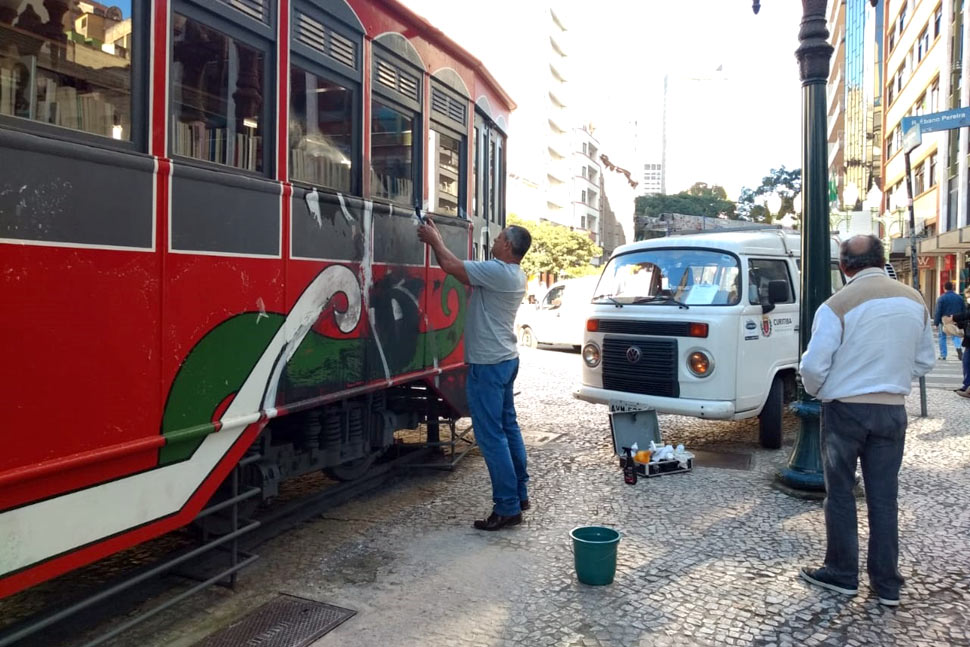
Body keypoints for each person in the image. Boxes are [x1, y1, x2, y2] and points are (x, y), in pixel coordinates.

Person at [798, 235, 935, 607]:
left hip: (845, 410)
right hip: (892, 410)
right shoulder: (914, 301)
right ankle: (886, 583)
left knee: (840, 494)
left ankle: (842, 573)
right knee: (884, 497)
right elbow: (925, 361)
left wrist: (820, 389)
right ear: (883, 259)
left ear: (844, 266)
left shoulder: (836, 305)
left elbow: (812, 366)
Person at [417, 215, 533, 531]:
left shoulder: (498, 272)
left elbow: (452, 267)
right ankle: (519, 494)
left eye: (498, 239)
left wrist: (434, 240)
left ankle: (508, 507)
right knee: (508, 428)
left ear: (507, 246)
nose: (493, 242)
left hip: (489, 364)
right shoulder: (514, 274)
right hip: (505, 360)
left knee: (491, 435)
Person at [933, 281, 965, 361]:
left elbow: (938, 311)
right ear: (952, 288)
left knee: (942, 337)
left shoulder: (941, 298)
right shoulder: (959, 298)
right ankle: (958, 348)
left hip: (944, 321)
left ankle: (943, 355)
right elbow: (963, 310)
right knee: (955, 334)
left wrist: (936, 322)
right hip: (955, 320)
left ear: (944, 288)